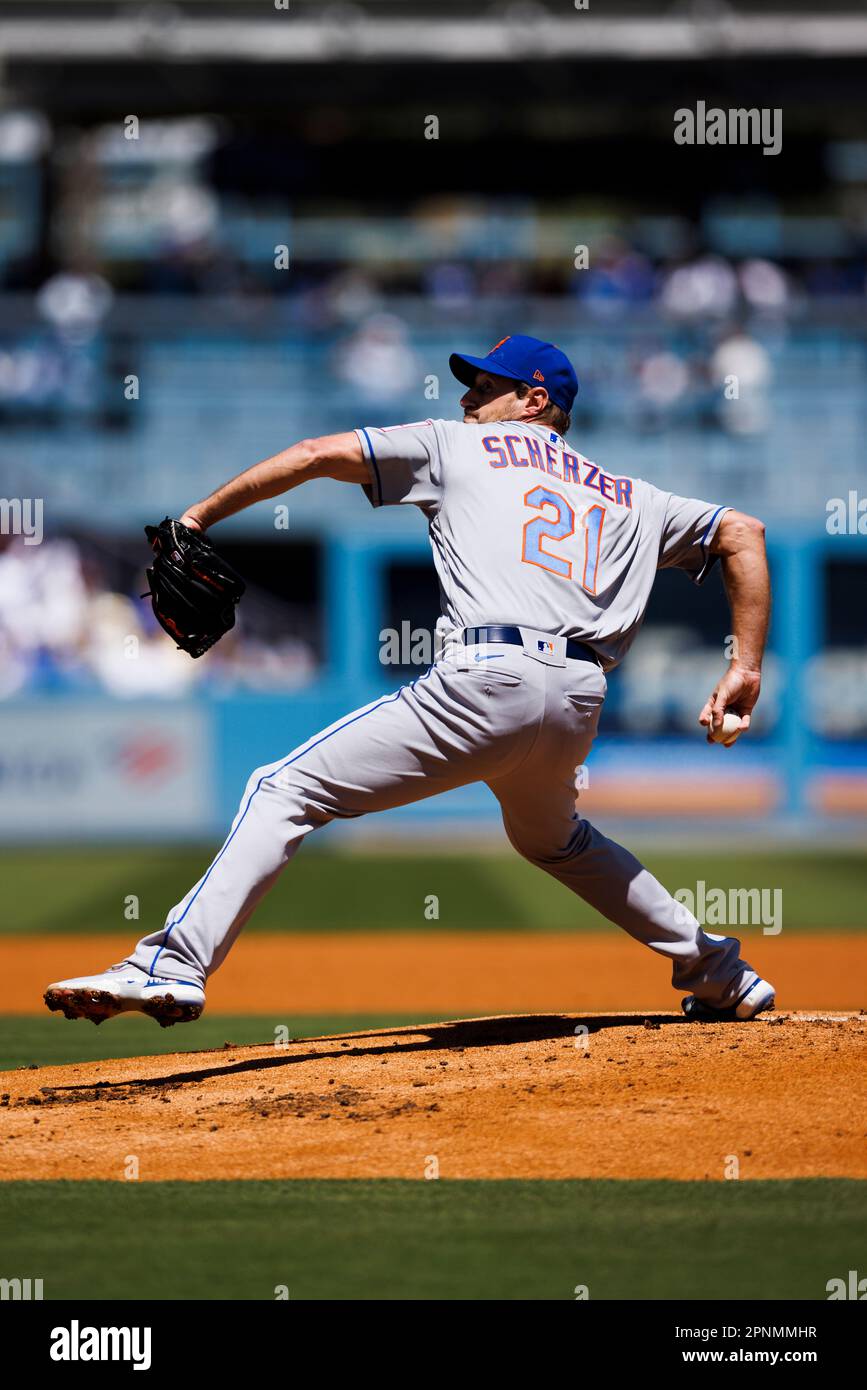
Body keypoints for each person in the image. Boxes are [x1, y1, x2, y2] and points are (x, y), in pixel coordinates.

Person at [45, 334, 774, 1028]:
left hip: (489, 677)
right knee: (555, 843)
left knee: (284, 789)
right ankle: (723, 979)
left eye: (484, 387)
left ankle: (170, 965)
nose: (466, 400)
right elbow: (742, 531)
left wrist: (199, 517)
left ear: (533, 399)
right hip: (578, 697)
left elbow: (312, 453)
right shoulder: (628, 494)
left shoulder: (454, 444)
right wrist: (742, 668)